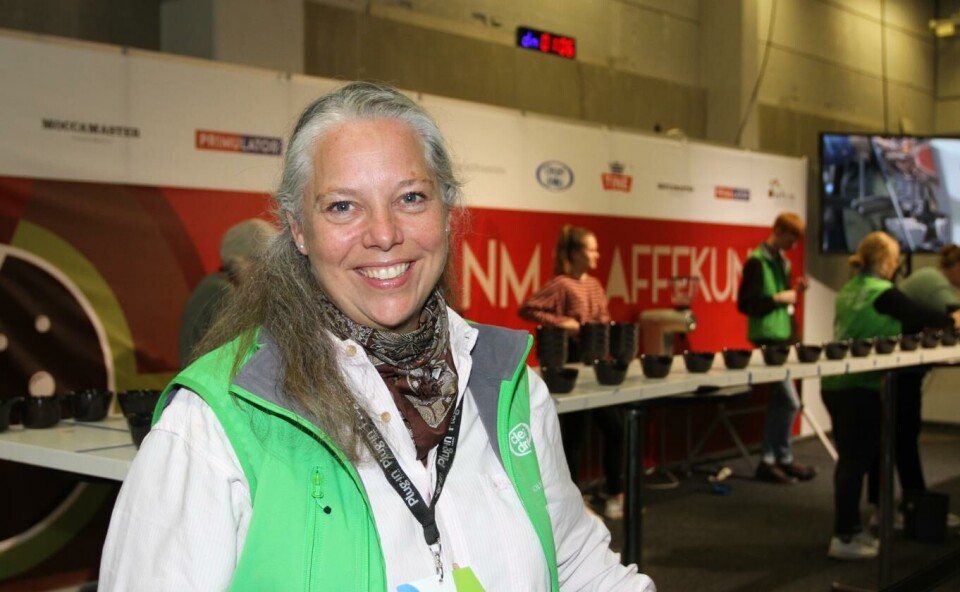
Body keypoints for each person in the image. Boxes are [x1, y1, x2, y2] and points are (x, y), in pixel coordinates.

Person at [100, 82, 654, 591]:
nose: (385, 234)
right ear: (298, 230)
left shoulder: (507, 387)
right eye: (343, 206)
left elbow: (579, 568)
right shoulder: (212, 425)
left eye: (410, 197)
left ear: (446, 211)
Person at [820, 231, 959, 560]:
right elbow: (930, 318)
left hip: (836, 383)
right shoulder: (884, 293)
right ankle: (845, 535)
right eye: (895, 258)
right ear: (884, 262)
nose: (897, 265)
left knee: (856, 460)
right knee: (856, 463)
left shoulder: (850, 289)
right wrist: (952, 319)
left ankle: (863, 522)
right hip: (861, 386)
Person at [518, 225, 625, 520]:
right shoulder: (562, 284)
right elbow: (528, 309)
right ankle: (576, 504)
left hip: (596, 363)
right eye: (592, 249)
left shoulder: (594, 285)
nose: (597, 255)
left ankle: (616, 492)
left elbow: (603, 317)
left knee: (615, 428)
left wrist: (599, 328)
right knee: (574, 436)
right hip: (572, 363)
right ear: (577, 254)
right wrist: (563, 322)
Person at [736, 212, 817, 484]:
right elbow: (746, 304)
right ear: (778, 230)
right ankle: (773, 458)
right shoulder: (756, 262)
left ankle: (780, 458)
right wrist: (777, 298)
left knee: (781, 401)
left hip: (784, 337)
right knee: (789, 401)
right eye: (792, 236)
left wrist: (794, 293)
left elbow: (784, 303)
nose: (795, 243)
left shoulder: (782, 262)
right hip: (767, 339)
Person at [888, 243, 960, 530]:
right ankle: (907, 508)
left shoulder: (931, 278)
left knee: (902, 438)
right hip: (898, 372)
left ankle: (911, 504)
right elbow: (955, 318)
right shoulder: (935, 281)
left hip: (902, 370)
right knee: (901, 438)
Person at [178, 218, 276, 367]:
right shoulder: (221, 291)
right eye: (259, 262)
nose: (265, 272)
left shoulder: (214, 285)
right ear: (238, 262)